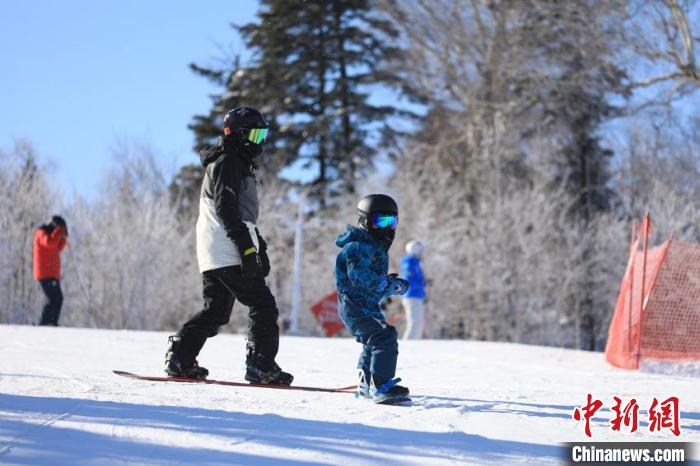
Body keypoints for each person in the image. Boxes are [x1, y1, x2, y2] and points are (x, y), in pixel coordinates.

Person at [165, 106, 293, 385]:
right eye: (257, 134)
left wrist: (259, 245)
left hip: (213, 249)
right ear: (241, 134)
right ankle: (262, 365)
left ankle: (181, 358)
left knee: (217, 311)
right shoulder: (230, 161)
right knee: (263, 305)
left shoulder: (230, 161)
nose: (260, 141)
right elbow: (227, 209)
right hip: (227, 247)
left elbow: (238, 213)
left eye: (263, 134)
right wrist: (247, 249)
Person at [334, 193, 410, 403]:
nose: (386, 228)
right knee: (384, 337)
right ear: (365, 221)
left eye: (391, 222)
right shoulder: (357, 247)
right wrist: (384, 283)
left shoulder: (374, 248)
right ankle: (381, 385)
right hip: (355, 307)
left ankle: (365, 382)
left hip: (363, 305)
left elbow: (372, 286)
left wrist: (391, 287)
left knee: (373, 341)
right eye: (379, 221)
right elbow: (360, 277)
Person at [33, 215, 68, 326]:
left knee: (58, 298)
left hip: (51, 273)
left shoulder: (52, 235)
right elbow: (49, 242)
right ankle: (44, 323)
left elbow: (59, 247)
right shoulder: (41, 233)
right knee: (53, 298)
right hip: (45, 273)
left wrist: (63, 235)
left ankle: (52, 322)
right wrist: (59, 230)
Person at [401, 240, 426, 339]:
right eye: (420, 252)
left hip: (417, 296)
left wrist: (424, 282)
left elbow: (416, 279)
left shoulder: (415, 264)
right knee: (414, 322)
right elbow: (409, 280)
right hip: (412, 296)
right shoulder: (410, 264)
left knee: (418, 323)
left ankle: (414, 346)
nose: (422, 254)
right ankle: (408, 345)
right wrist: (422, 283)